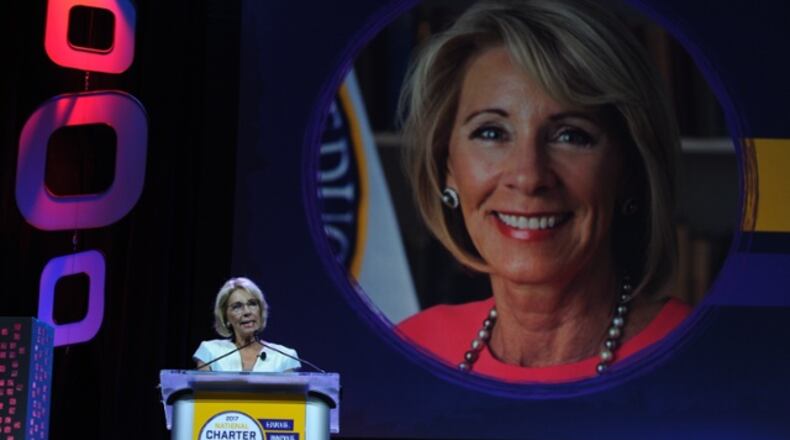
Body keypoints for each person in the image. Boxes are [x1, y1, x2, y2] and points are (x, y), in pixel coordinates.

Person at [396, 0, 690, 383]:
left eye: (571, 135)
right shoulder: (411, 348)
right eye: (491, 132)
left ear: (630, 170)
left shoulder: (709, 360)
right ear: (448, 167)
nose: (529, 176)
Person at [194, 277, 301, 372]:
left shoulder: (284, 357)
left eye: (252, 304)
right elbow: (202, 394)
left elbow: (289, 394)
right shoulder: (210, 352)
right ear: (225, 317)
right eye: (237, 307)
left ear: (260, 310)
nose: (247, 312)